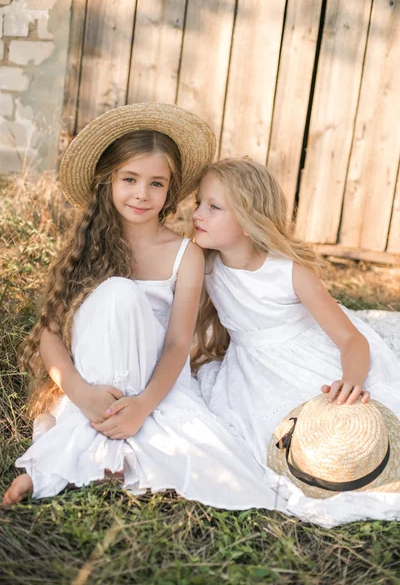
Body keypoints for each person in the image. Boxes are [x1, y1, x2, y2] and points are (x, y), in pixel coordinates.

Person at [2, 105, 273, 509]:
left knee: (227, 471)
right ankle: (76, 453)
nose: (142, 194)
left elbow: (179, 343)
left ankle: (80, 457)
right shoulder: (87, 247)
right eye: (129, 179)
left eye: (156, 183)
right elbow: (51, 334)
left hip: (155, 382)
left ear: (170, 190)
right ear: (108, 181)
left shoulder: (185, 254)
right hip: (93, 383)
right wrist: (79, 391)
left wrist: (144, 404)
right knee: (116, 293)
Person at [192, 157, 400, 527]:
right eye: (198, 203)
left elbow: (350, 339)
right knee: (274, 436)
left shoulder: (288, 271)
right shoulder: (204, 264)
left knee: (335, 425)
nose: (197, 214)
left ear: (247, 220)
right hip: (254, 367)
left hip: (309, 355)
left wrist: (351, 378)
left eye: (214, 207)